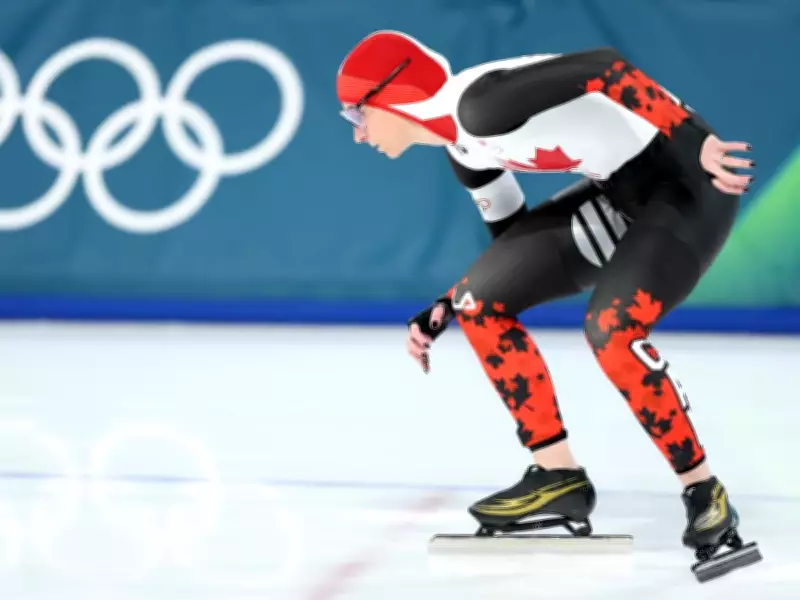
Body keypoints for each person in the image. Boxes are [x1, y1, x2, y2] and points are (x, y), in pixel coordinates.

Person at [336, 30, 761, 580]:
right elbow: (513, 246)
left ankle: (705, 492)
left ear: (388, 95)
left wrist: (690, 136)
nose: (359, 134)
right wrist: (448, 303)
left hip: (690, 186)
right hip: (618, 194)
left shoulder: (480, 105)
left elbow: (605, 68)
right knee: (477, 301)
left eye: (357, 116)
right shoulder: (462, 150)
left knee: (611, 329)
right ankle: (557, 476)